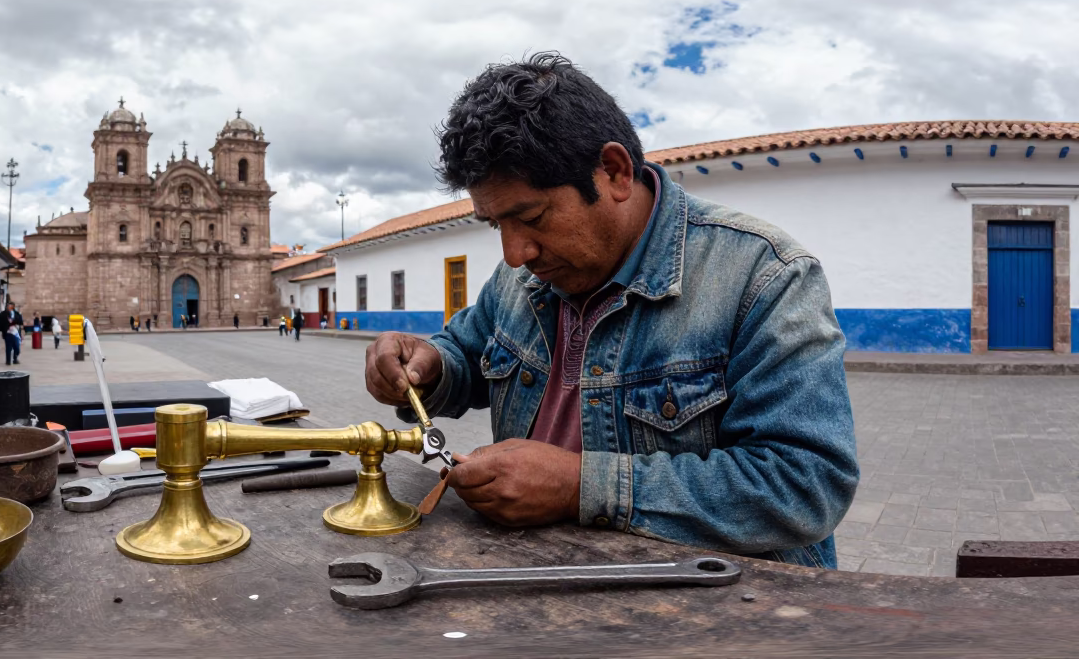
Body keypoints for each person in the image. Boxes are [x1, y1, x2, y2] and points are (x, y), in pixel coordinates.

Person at [363, 52, 857, 569]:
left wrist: (580, 486)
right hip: (543, 585)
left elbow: (806, 486)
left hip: (718, 608)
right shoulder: (521, 278)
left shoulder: (763, 276)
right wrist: (428, 365)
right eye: (495, 226)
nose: (515, 253)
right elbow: (465, 352)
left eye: (531, 217)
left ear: (616, 172)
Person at [0, 301, 25, 365]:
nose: (10, 307)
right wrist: (3, 329)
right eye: (9, 306)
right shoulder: (3, 314)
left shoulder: (17, 314)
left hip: (15, 332)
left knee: (17, 347)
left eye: (11, 306)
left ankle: (15, 358)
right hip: (7, 333)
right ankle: (8, 361)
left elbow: (21, 322)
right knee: (8, 347)